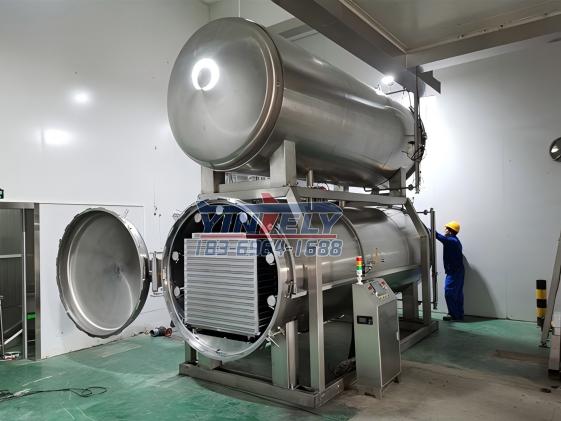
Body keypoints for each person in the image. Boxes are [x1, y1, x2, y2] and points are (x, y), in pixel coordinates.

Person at [436, 221, 464, 321]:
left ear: (450, 231)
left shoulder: (451, 241)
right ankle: (458, 315)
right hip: (458, 271)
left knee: (449, 292)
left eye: (446, 228)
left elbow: (437, 235)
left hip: (454, 272)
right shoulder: (454, 240)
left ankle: (454, 315)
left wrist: (424, 227)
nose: (445, 230)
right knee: (457, 294)